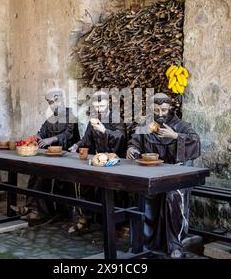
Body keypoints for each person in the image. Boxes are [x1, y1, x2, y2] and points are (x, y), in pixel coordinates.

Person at [126, 93, 201, 258]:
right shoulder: (146, 125)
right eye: (156, 110)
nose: (160, 114)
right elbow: (135, 141)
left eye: (164, 110)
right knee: (141, 194)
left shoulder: (181, 126)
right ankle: (141, 243)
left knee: (172, 197)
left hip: (177, 179)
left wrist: (175, 136)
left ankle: (175, 244)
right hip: (152, 177)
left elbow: (195, 141)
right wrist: (132, 148)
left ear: (171, 109)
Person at [68, 91, 127, 233]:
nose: (99, 109)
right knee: (85, 183)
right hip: (98, 160)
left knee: (113, 190)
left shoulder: (116, 118)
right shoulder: (93, 118)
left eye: (102, 105)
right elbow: (86, 139)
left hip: (115, 161)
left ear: (108, 102)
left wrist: (104, 130)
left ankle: (115, 225)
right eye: (96, 106)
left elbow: (122, 137)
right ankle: (85, 218)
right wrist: (77, 145)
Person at [18, 89, 79, 222]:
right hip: (51, 156)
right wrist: (37, 137)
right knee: (36, 173)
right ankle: (34, 208)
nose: (52, 105)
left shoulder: (71, 116)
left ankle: (50, 211)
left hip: (68, 157)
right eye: (50, 103)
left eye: (54, 101)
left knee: (52, 179)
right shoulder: (50, 119)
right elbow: (42, 132)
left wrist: (50, 140)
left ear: (61, 99)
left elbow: (68, 135)